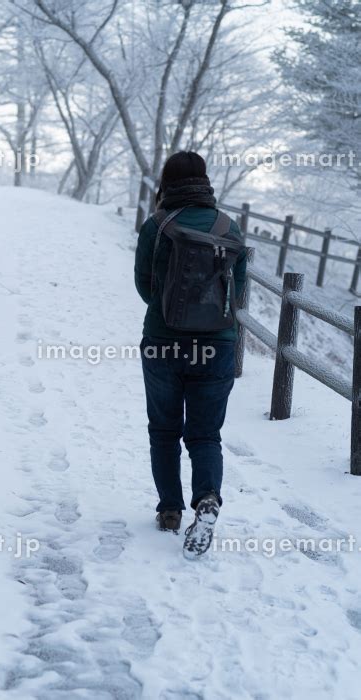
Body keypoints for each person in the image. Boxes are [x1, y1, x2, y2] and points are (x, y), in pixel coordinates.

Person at [134, 151, 247, 558]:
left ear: (167, 181)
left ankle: (169, 510)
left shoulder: (157, 225)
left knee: (163, 430)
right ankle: (208, 499)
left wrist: (170, 312)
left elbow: (145, 286)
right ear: (205, 181)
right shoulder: (228, 227)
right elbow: (237, 292)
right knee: (205, 434)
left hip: (163, 341)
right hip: (217, 345)